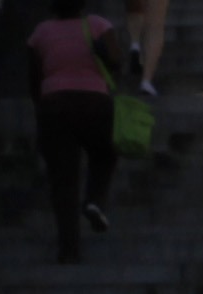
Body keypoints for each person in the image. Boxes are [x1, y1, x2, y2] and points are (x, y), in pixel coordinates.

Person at [25, 0, 124, 264]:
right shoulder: (99, 25)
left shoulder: (41, 32)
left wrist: (42, 106)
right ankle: (94, 200)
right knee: (104, 155)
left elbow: (33, 77)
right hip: (95, 103)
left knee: (63, 181)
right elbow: (116, 61)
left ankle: (69, 250)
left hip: (54, 106)